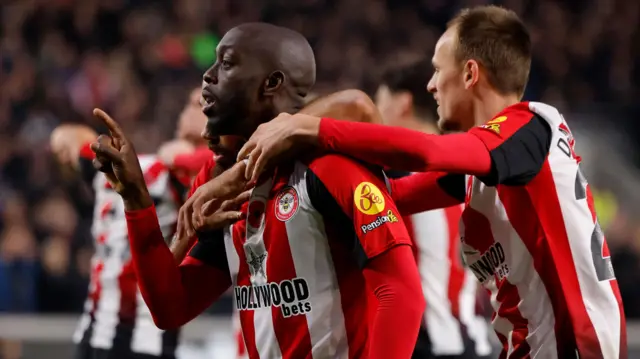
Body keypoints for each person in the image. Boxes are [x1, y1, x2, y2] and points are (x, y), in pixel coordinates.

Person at [237, 6, 627, 359]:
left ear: (471, 74)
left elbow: (428, 154)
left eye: (438, 71)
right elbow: (391, 197)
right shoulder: (489, 167)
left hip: (577, 347)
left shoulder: (526, 129)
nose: (431, 85)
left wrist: (312, 127)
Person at [89, 23, 424, 359]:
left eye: (227, 63)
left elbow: (401, 293)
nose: (208, 75)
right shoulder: (221, 187)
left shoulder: (330, 166)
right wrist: (135, 198)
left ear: (271, 83)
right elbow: (170, 308)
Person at [50, 88, 209, 359]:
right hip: (92, 334)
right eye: (192, 104)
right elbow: (67, 137)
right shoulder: (139, 166)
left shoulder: (196, 176)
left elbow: (217, 164)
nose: (198, 109)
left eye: (204, 104)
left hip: (145, 341)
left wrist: (181, 156)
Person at [375, 58, 492, 359]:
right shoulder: (471, 170)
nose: (375, 115)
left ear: (402, 103)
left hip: (425, 345)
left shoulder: (392, 177)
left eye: (380, 103)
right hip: (474, 340)